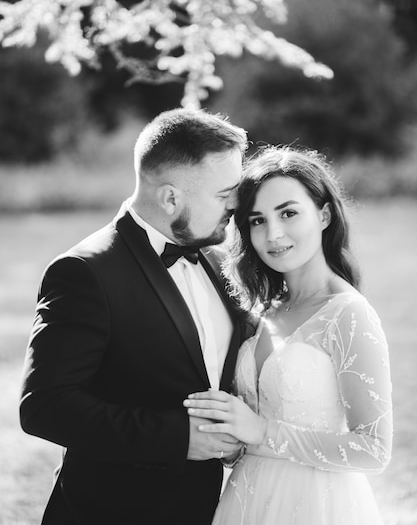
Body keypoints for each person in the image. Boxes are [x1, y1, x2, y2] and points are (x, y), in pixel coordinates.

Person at [19, 108, 249, 525]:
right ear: (170, 197)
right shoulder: (83, 272)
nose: (236, 204)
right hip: (112, 511)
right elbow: (45, 406)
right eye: (223, 194)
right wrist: (177, 438)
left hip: (210, 509)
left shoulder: (218, 261)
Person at [184, 145, 393, 525]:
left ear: (325, 214)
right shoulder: (264, 311)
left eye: (289, 213)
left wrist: (261, 431)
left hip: (316, 505)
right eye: (257, 220)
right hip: (246, 501)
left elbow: (373, 449)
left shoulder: (348, 314)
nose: (273, 234)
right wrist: (232, 439)